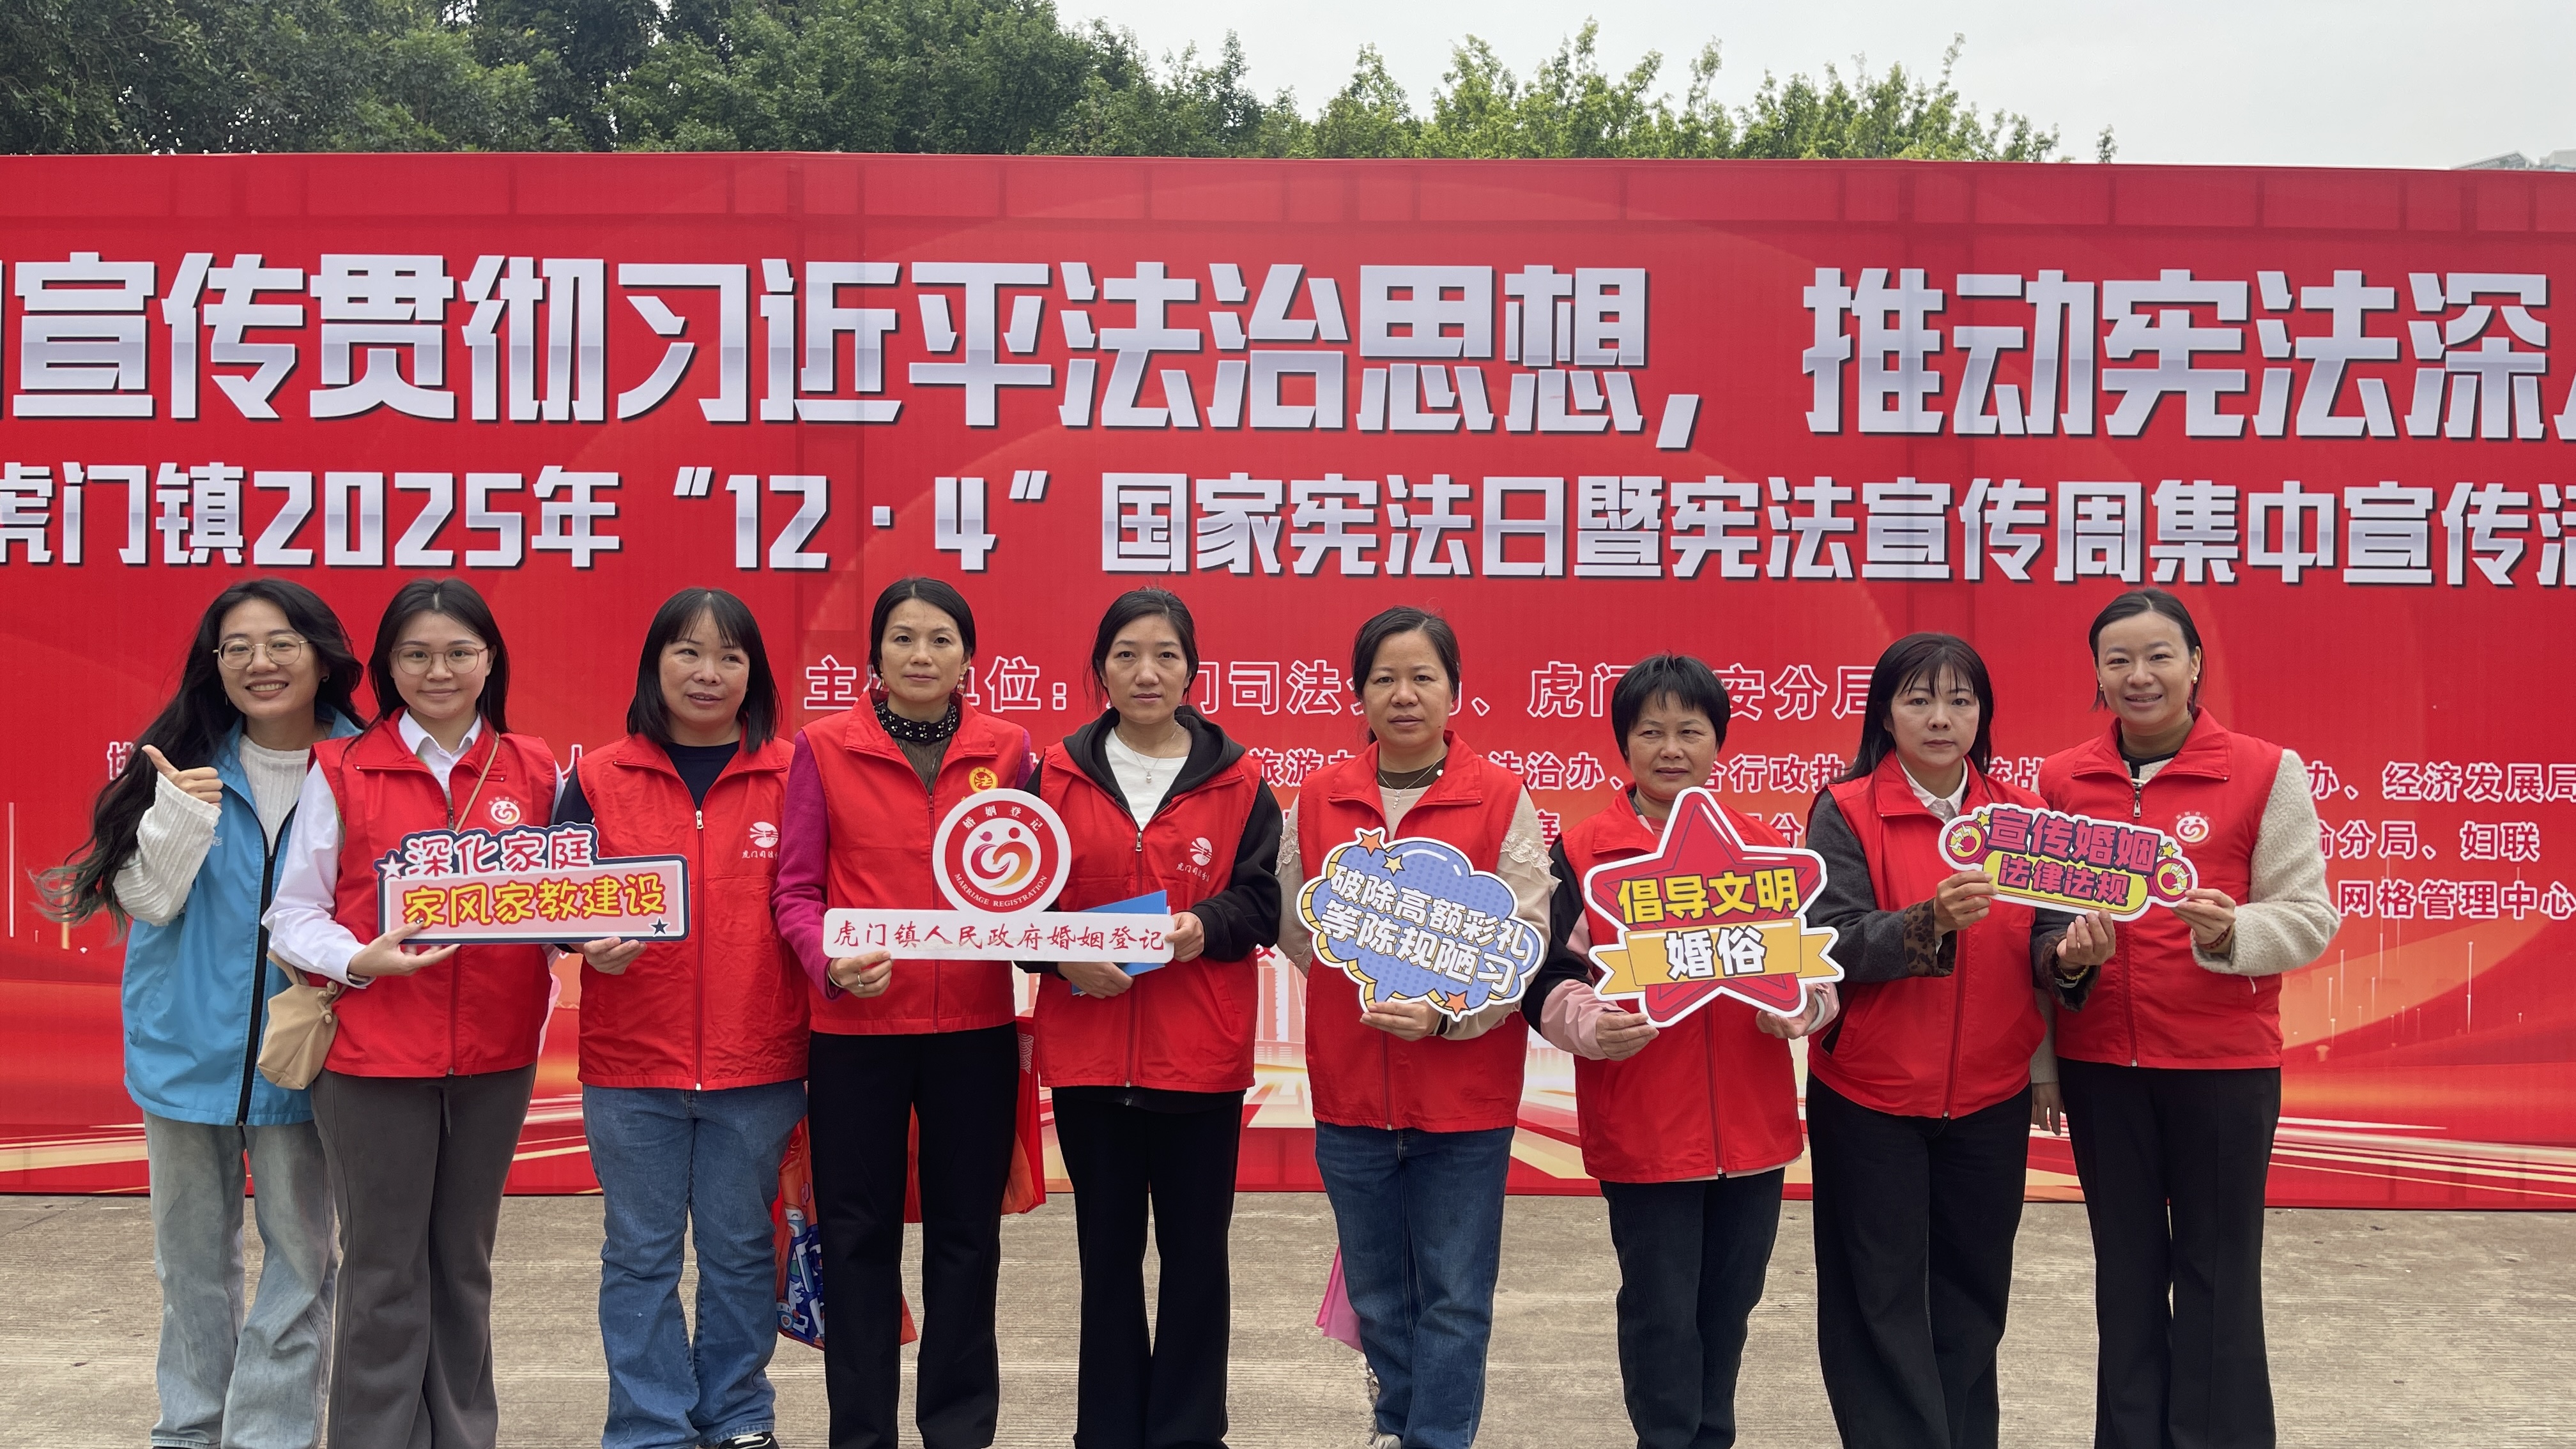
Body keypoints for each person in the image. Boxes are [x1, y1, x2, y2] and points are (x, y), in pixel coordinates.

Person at [40, 580, 362, 1449]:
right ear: (214, 666)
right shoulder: (180, 764)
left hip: (307, 1056)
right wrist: (180, 819)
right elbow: (147, 904)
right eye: (237, 648)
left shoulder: (366, 767)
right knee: (189, 1265)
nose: (261, 663)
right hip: (183, 1050)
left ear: (322, 656)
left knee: (303, 1263)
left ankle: (268, 1436)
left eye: (282, 642)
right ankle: (188, 1431)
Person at [263, 577, 558, 1449]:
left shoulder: (536, 769)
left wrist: (592, 939)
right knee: (385, 1270)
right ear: (387, 666)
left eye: (459, 652)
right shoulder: (343, 768)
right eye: (416, 654)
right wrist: (360, 959)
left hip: (497, 1058)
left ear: (490, 660)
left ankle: (462, 1435)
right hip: (371, 1061)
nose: (439, 671)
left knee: (463, 1266)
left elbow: (562, 901)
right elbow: (293, 913)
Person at [1801, 634, 2117, 1449]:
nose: (1940, 718)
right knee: (1877, 1300)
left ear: (1983, 715)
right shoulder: (1845, 809)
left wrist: (2071, 956)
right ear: (1885, 714)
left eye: (1960, 701)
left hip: (1989, 1097)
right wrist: (1928, 922)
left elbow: (2045, 941)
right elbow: (1830, 940)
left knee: (1974, 1299)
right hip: (1869, 1095)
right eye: (1919, 700)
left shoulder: (2024, 817)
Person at [2041, 587, 2338, 1449]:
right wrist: (2049, 1044)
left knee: (2219, 1276)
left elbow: (2309, 917)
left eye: (2159, 656)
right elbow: (2039, 929)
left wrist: (2231, 932)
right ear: (2098, 674)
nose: (2139, 676)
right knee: (2125, 1276)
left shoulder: (2265, 771)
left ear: (2196, 664)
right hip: (2103, 1069)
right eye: (2119, 660)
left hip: (2224, 1068)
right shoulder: (2062, 782)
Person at [1519, 654, 1836, 1449]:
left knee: (1729, 1311)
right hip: (1645, 1131)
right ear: (1623, 744)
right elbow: (1547, 976)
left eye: (1689, 731)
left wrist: (1803, 1010)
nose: (1670, 749)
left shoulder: (1764, 851)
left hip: (1754, 1133)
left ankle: (1712, 1436)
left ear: (1718, 743)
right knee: (1661, 1314)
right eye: (1650, 732)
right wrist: (1591, 1026)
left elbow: (1819, 970)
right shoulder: (1584, 852)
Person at [771, 576, 1038, 1449]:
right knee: (857, 1240)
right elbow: (796, 892)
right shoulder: (823, 747)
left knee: (967, 1239)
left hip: (974, 1031)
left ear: (969, 658)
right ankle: (861, 1435)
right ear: (875, 654)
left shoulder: (1011, 750)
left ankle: (958, 1431)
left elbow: (1034, 881)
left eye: (940, 640)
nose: (921, 656)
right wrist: (829, 965)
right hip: (856, 1036)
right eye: (902, 639)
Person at [1275, 607, 1549, 1449]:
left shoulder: (1500, 797)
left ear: (1455, 691)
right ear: (1358, 693)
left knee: (1456, 1299)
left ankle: (1435, 1439)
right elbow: (1296, 922)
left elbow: (1525, 939)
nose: (1404, 694)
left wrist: (1446, 1011)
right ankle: (1397, 1428)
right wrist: (1362, 978)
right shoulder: (1319, 796)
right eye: (1385, 678)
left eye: (1423, 677)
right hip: (1352, 1091)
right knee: (1380, 1297)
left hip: (1464, 1100)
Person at [552, 589, 807, 1449]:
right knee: (639, 1256)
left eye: (731, 657)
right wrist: (582, 939)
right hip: (631, 1067)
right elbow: (551, 902)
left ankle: (737, 1415)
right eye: (688, 653)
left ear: (754, 675)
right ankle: (649, 1425)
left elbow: (819, 898)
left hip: (760, 1063)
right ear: (654, 665)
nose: (708, 673)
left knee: (741, 1253)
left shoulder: (794, 775)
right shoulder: (596, 778)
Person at [1029, 588, 1282, 1449]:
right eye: (1127, 655)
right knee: (1105, 1262)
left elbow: (1262, 901)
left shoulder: (1241, 779)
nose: (1146, 672)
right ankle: (1104, 1434)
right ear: (1100, 669)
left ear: (1192, 670)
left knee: (1196, 1262)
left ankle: (1187, 1433)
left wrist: (1202, 926)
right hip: (1090, 1057)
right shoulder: (1051, 776)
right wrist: (1060, 954)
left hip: (1199, 1059)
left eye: (1166, 655)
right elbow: (1012, 905)